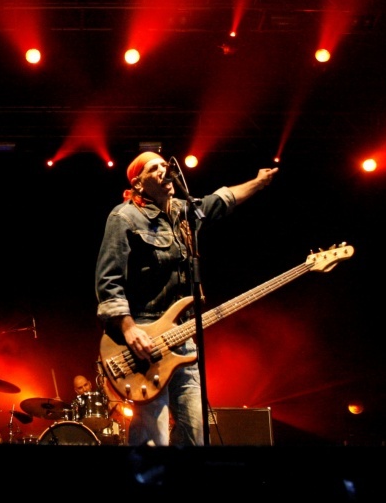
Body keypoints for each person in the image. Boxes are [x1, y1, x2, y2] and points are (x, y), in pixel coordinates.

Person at [95, 151, 277, 446]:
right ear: (138, 183)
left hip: (184, 335)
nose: (163, 170)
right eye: (154, 168)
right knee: (154, 439)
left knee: (196, 433)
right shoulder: (124, 216)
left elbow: (221, 201)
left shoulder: (184, 212)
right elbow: (108, 281)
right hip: (145, 338)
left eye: (165, 166)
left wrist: (258, 182)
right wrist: (129, 329)